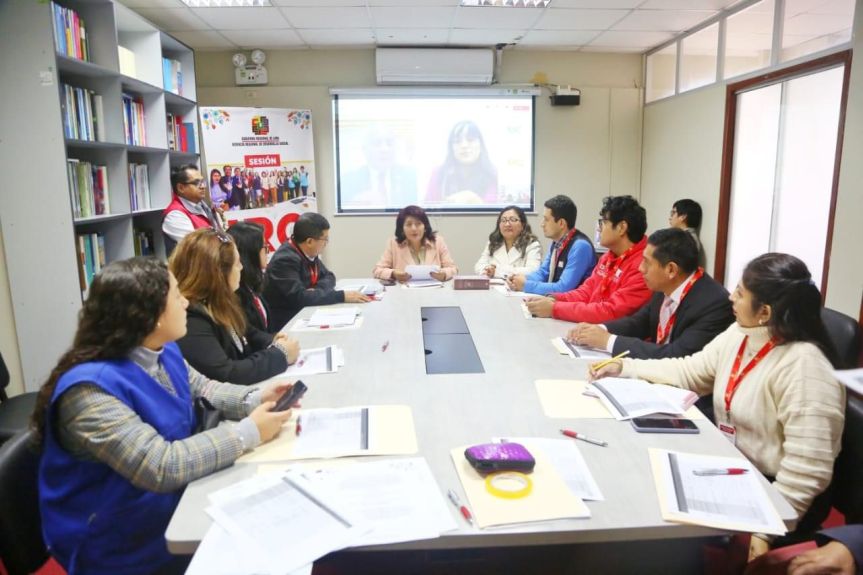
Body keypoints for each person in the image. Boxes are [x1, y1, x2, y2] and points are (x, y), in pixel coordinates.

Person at [32, 256, 297, 575]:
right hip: (117, 544)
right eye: (176, 295)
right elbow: (160, 465)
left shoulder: (163, 349)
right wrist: (248, 432)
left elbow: (205, 389)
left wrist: (255, 398)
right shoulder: (89, 393)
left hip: (167, 507)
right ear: (150, 314)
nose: (186, 301)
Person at [591, 253, 845, 557]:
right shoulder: (741, 333)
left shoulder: (805, 366)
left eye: (739, 293)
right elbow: (690, 370)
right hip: (732, 467)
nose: (731, 299)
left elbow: (807, 471)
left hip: (772, 492)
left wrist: (766, 530)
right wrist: (627, 368)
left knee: (658, 534)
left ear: (764, 311)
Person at [567, 227, 733, 359]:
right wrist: (599, 329)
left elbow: (676, 355)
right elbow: (639, 322)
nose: (641, 268)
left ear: (671, 269)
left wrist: (608, 341)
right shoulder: (665, 286)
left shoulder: (714, 304)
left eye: (647, 262)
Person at [171, 229, 299, 385]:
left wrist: (271, 340)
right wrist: (281, 354)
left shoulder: (220, 300)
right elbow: (227, 373)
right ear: (219, 273)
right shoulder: (191, 318)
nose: (241, 268)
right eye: (237, 263)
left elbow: (246, 332)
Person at [526, 195, 651, 321]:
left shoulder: (643, 266)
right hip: (593, 326)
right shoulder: (608, 257)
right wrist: (553, 298)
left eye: (603, 223)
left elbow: (610, 311)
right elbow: (586, 292)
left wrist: (555, 308)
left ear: (621, 228)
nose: (598, 228)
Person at [264, 212, 371, 331]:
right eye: (325, 239)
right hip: (285, 323)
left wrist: (315, 291)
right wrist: (341, 296)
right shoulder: (285, 260)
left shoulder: (307, 252)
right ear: (309, 242)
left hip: (305, 312)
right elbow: (300, 298)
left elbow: (329, 277)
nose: (326, 243)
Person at [507, 195, 595, 295]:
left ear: (561, 223)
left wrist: (526, 285)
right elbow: (543, 272)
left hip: (575, 305)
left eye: (546, 219)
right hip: (558, 302)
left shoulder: (580, 247)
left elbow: (563, 288)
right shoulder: (557, 242)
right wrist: (520, 278)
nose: (542, 224)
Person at [373, 205, 458, 282]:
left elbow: (453, 269)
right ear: (402, 229)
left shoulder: (438, 242)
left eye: (418, 224)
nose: (414, 228)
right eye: (409, 224)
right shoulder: (394, 244)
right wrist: (393, 273)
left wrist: (444, 274)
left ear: (425, 227)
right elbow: (377, 270)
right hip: (404, 293)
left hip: (433, 291)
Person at [340, 126, 417, 208]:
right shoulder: (349, 180)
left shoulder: (409, 176)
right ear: (364, 149)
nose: (384, 149)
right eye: (377, 143)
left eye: (389, 143)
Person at [425, 120, 498, 205]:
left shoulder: (492, 174)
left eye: (470, 140)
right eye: (457, 141)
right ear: (451, 148)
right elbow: (428, 211)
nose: (464, 145)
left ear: (481, 145)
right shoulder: (439, 173)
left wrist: (474, 200)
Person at [162, 164, 224, 257]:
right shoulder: (175, 215)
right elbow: (200, 248)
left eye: (202, 182)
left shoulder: (204, 206)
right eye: (196, 183)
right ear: (181, 188)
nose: (203, 186)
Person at [474, 205, 542, 278]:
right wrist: (487, 270)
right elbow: (478, 266)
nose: (507, 224)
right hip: (494, 287)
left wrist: (497, 271)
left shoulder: (532, 244)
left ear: (523, 225)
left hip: (518, 288)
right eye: (503, 220)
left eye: (512, 220)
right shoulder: (493, 243)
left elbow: (533, 271)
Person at [227, 221, 271, 333]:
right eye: (264, 247)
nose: (268, 251)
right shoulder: (235, 294)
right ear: (251, 252)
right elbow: (250, 335)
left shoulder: (253, 283)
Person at [669, 198, 706, 267]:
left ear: (683, 216)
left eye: (673, 213)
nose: (670, 217)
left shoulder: (687, 240)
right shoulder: (687, 237)